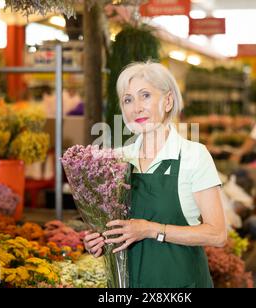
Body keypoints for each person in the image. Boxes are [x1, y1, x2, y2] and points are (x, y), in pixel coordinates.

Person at [83, 61, 227, 288]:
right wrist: (99, 242)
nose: (136, 107)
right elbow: (113, 230)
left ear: (168, 101)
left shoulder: (192, 155)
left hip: (181, 285)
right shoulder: (116, 160)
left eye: (145, 96)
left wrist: (151, 230)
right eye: (128, 99)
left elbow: (217, 234)